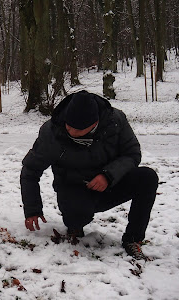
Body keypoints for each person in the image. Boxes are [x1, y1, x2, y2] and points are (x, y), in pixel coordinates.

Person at [20, 90, 158, 260]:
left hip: (110, 184)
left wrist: (108, 176)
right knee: (77, 216)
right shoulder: (52, 132)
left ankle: (133, 239)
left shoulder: (115, 121)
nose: (70, 131)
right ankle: (75, 225)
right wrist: (32, 209)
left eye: (78, 129)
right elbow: (30, 170)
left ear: (95, 123)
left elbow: (132, 154)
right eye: (68, 125)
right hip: (73, 187)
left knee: (147, 178)